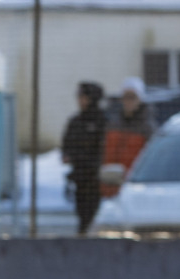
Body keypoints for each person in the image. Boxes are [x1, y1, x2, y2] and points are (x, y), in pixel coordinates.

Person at [61, 81, 107, 235]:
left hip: (96, 179)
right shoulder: (76, 122)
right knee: (82, 213)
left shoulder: (102, 121)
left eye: (84, 97)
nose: (80, 101)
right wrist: (69, 156)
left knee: (94, 214)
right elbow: (66, 145)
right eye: (79, 97)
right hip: (80, 177)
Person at [102, 76, 155, 198]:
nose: (128, 101)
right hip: (108, 188)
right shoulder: (112, 124)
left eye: (133, 97)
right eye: (126, 97)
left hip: (133, 190)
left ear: (140, 99)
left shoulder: (147, 128)